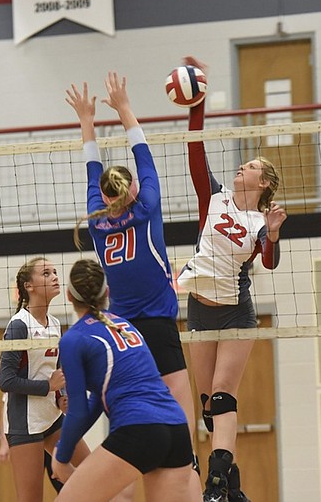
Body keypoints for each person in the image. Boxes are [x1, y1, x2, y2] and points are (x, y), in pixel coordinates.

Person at [66, 74, 200, 479]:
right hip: (157, 321)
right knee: (176, 394)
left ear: (105, 197)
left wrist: (86, 121)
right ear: (135, 189)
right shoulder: (148, 206)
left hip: (119, 327)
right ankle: (188, 463)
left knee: (120, 397)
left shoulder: (96, 220)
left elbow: (93, 167)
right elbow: (143, 154)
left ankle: (128, 461)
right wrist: (124, 108)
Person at [176, 56, 287, 502]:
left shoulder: (261, 220)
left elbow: (269, 261)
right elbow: (195, 149)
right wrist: (196, 103)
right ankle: (235, 485)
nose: (243, 168)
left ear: (263, 183)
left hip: (238, 314)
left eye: (251, 167)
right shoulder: (215, 198)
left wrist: (274, 235)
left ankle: (217, 485)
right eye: (242, 166)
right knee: (207, 404)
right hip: (200, 308)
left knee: (222, 394)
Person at [50, 259, 201, 502]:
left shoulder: (73, 339)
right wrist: (63, 453)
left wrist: (61, 456)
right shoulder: (125, 326)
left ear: (68, 295)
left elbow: (77, 411)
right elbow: (97, 402)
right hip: (176, 428)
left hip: (139, 429)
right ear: (107, 292)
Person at [0, 257, 90, 502]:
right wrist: (48, 387)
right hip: (24, 424)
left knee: (89, 472)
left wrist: (61, 397)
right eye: (46, 273)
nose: (55, 277)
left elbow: (55, 371)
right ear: (29, 286)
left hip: (52, 418)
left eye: (55, 272)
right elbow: (5, 381)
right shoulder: (19, 325)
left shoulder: (55, 324)